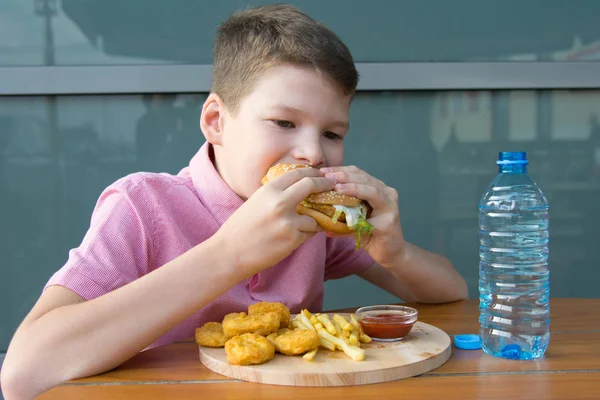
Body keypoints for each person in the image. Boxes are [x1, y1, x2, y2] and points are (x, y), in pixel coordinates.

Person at [0, 5, 467, 399]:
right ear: (216, 121)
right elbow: (23, 373)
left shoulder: (313, 222)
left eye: (332, 133)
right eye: (284, 123)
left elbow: (450, 291)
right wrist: (230, 254)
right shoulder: (142, 206)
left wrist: (396, 253)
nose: (312, 152)